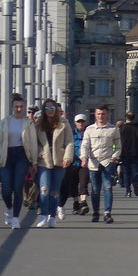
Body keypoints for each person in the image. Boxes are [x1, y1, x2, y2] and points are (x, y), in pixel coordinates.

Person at [33, 100, 73, 228]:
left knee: (55, 191)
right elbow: (34, 142)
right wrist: (39, 153)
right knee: (44, 189)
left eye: (52, 108)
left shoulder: (64, 123)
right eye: (47, 108)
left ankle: (52, 216)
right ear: (43, 110)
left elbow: (69, 142)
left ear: (56, 109)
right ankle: (43, 215)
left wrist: (68, 157)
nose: (49, 110)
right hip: (43, 161)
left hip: (59, 160)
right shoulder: (38, 124)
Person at [1, 93, 38, 230]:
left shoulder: (28, 123)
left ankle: (16, 218)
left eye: (21, 107)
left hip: (22, 155)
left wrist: (34, 162)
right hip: (6, 155)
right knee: (5, 189)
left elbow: (33, 143)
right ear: (12, 107)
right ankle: (9, 208)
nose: (19, 109)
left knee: (17, 187)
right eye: (16, 107)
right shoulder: (5, 122)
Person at [79, 105, 121, 224]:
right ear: (95, 115)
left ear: (107, 114)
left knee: (108, 187)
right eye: (98, 114)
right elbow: (85, 145)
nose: (100, 116)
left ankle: (107, 213)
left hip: (107, 162)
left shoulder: (113, 129)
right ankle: (96, 211)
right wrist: (84, 158)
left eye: (103, 114)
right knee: (95, 189)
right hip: (94, 163)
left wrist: (114, 157)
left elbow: (118, 146)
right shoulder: (89, 129)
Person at [119, 111, 138, 197]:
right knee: (136, 171)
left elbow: (118, 142)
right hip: (136, 153)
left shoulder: (122, 129)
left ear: (126, 118)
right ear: (134, 118)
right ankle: (135, 183)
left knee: (126, 173)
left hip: (124, 154)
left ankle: (128, 191)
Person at [66, 113, 90, 215]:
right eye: (79, 121)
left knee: (83, 183)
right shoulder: (71, 134)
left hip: (84, 163)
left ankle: (83, 203)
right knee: (73, 184)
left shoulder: (88, 134)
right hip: (72, 163)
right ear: (75, 123)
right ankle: (76, 202)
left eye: (82, 121)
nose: (81, 123)